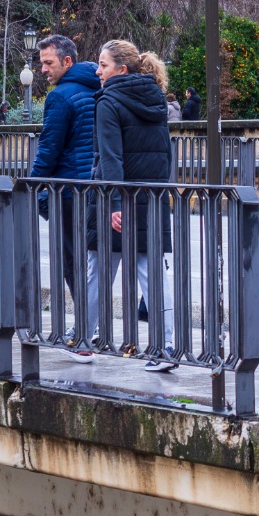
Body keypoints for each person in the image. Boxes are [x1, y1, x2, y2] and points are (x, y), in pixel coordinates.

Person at [85, 38, 177, 371]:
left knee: (98, 269)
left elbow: (110, 157)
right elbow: (165, 154)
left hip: (117, 199)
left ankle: (83, 338)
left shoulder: (108, 102)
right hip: (150, 197)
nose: (98, 71)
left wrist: (114, 203)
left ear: (121, 69)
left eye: (103, 65)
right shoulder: (156, 99)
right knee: (152, 273)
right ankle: (165, 346)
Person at [28, 34, 101, 336]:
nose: (43, 69)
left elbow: (49, 148)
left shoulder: (60, 96)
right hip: (96, 186)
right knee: (95, 260)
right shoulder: (98, 88)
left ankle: (85, 327)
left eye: (48, 63)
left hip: (69, 190)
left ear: (67, 61)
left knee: (72, 260)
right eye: (41, 63)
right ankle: (94, 325)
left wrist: (30, 185)